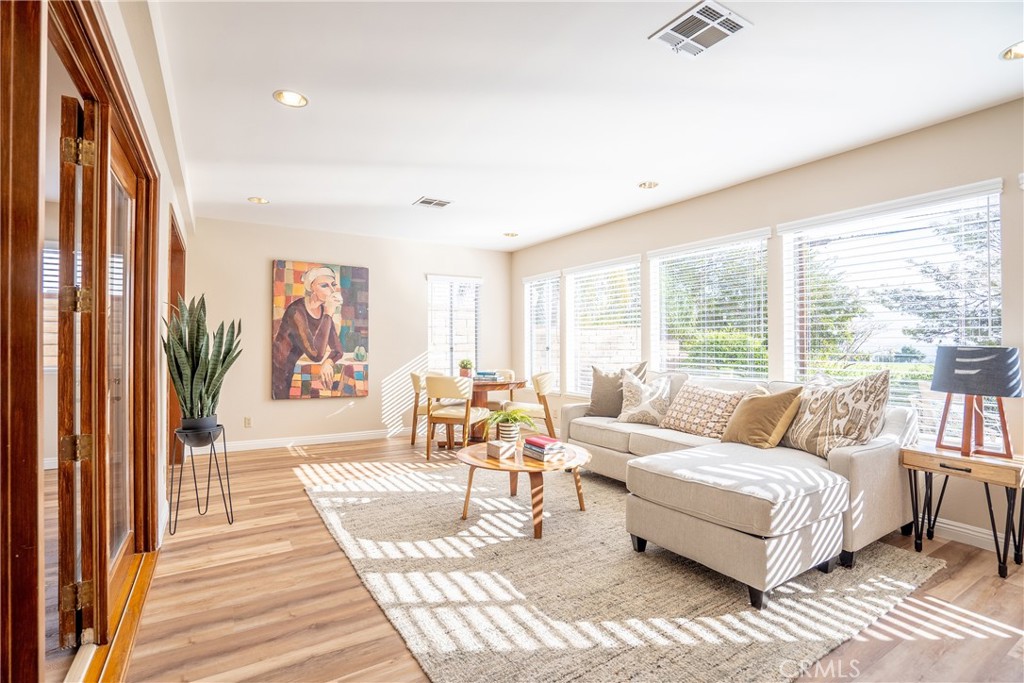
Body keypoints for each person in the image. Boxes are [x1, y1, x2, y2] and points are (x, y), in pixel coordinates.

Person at [272, 266, 345, 399]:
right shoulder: (296, 311)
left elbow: (338, 350)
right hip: (278, 373)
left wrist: (328, 362)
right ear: (312, 288)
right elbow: (316, 355)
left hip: (292, 369)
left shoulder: (324, 312)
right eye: (325, 285)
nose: (332, 290)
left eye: (333, 285)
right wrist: (329, 313)